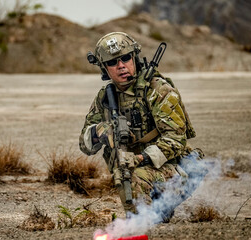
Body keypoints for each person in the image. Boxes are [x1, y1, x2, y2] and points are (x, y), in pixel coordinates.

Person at [79, 32, 205, 221]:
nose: (121, 66)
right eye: (113, 62)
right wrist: (101, 131)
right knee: (127, 176)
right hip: (136, 170)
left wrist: (140, 158)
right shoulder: (105, 97)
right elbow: (84, 145)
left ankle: (144, 220)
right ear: (104, 68)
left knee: (132, 182)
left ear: (134, 57)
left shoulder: (157, 90)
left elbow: (176, 140)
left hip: (175, 167)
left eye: (125, 58)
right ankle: (149, 216)